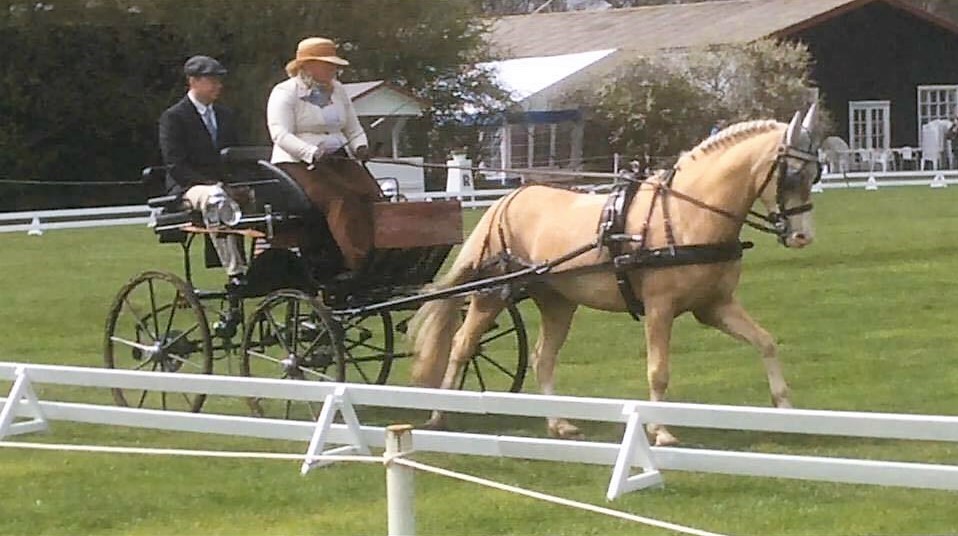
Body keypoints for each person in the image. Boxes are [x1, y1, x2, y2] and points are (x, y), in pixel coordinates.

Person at [266, 37, 383, 272]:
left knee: (371, 193)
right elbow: (279, 133)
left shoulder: (338, 90)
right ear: (307, 65)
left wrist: (360, 147)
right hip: (297, 163)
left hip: (336, 157)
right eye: (327, 64)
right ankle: (356, 262)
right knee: (339, 199)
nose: (333, 69)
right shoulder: (285, 92)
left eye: (334, 64)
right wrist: (310, 152)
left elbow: (353, 127)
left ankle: (384, 253)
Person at [158, 55, 246, 284]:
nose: (218, 86)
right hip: (188, 187)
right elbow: (175, 165)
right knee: (215, 198)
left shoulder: (226, 115)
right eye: (212, 80)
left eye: (219, 80)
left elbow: (235, 155)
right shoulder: (174, 117)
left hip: (223, 183)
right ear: (193, 81)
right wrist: (211, 184)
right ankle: (235, 271)